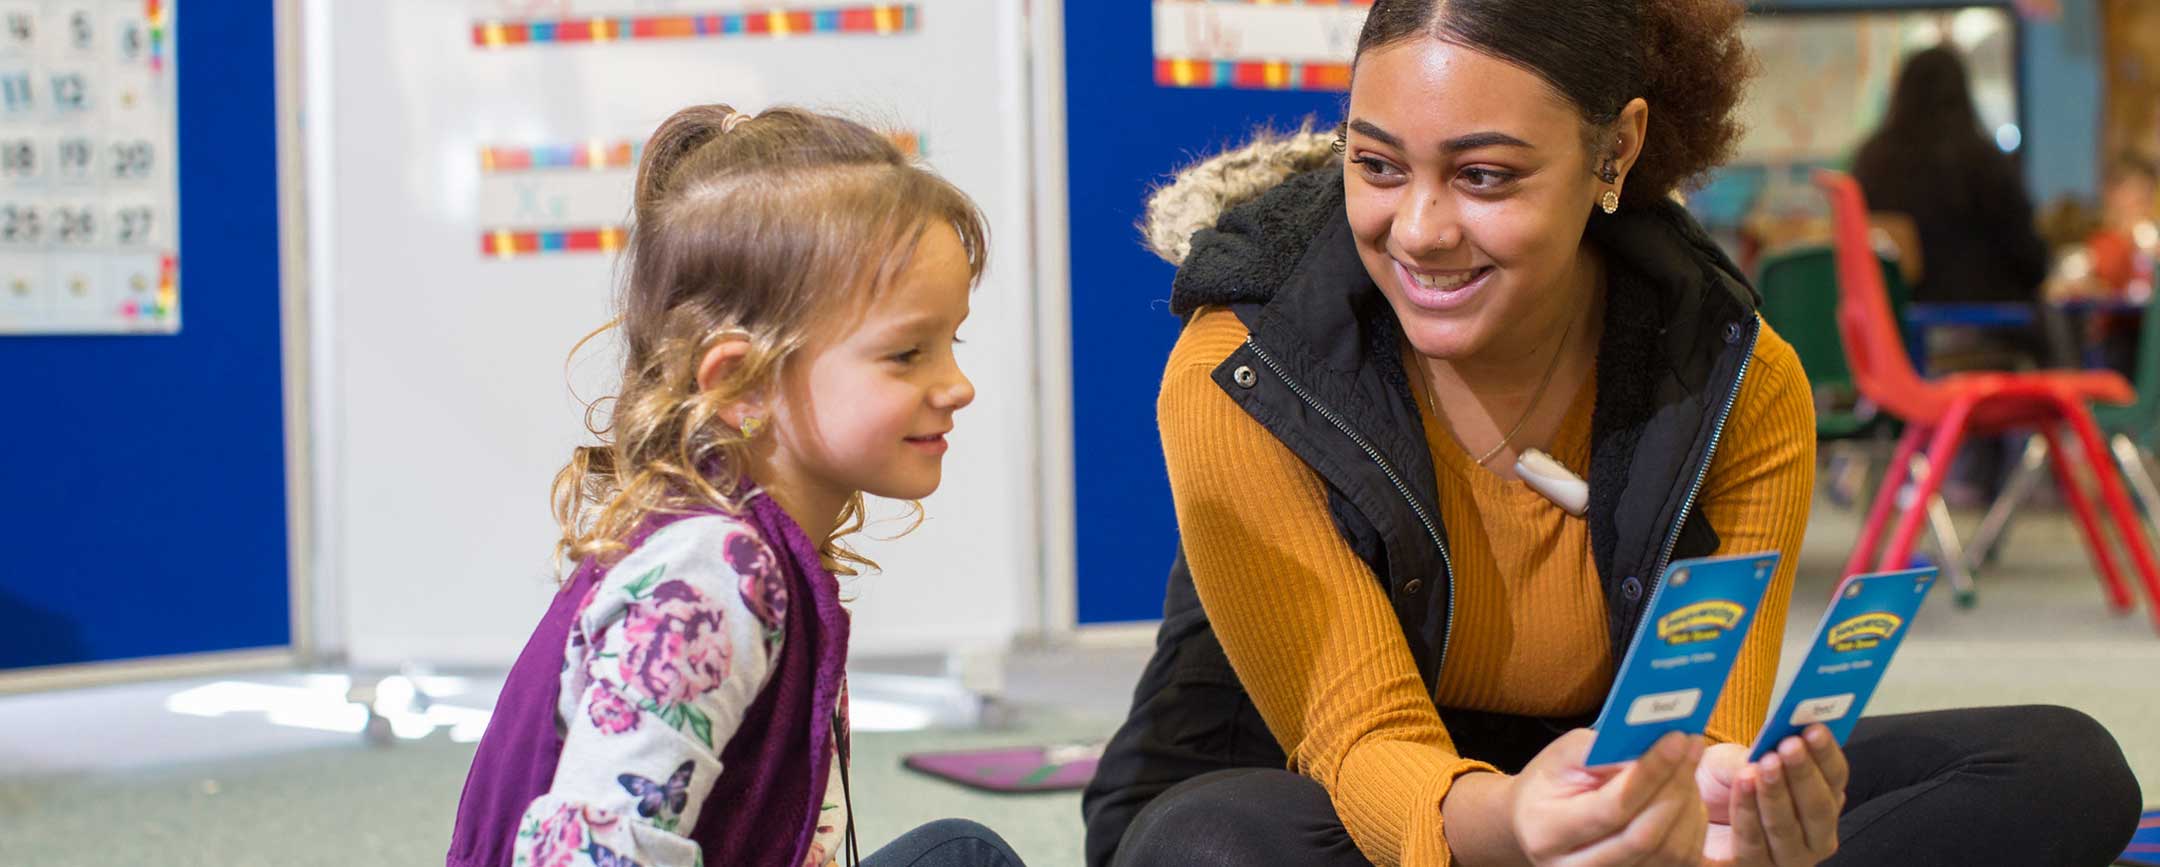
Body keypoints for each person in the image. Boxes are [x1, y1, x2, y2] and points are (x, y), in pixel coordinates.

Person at [1082, 2, 2143, 865]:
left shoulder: (1736, 373)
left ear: (1616, 151)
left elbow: (1703, 719)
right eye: (1378, 166)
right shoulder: (1243, 362)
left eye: (1485, 176)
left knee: (2059, 764)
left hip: (1598, 790)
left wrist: (1724, 817)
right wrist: (1520, 827)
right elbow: (1359, 741)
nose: (1418, 230)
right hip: (1311, 785)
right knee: (1210, 846)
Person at [446, 104, 1026, 867]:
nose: (956, 385)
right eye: (906, 353)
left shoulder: (750, 543)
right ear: (740, 382)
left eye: (952, 342)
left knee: (960, 853)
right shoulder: (711, 576)